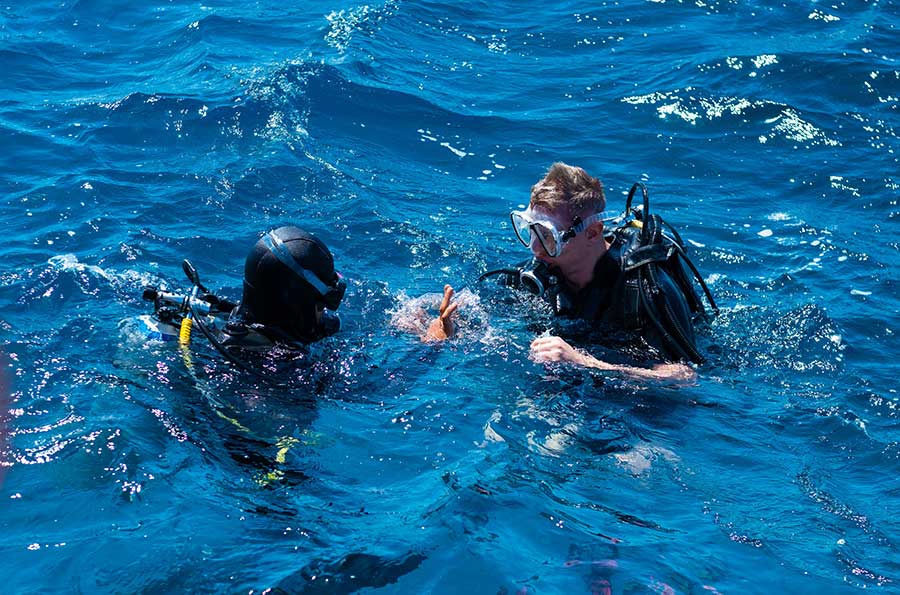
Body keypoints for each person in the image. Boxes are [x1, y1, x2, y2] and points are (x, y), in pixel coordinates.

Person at [431, 163, 706, 381]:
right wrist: (444, 329)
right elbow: (475, 318)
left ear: (593, 232)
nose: (536, 249)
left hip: (646, 406)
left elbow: (685, 377)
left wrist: (584, 362)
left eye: (549, 237)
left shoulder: (647, 289)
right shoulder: (539, 275)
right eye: (531, 230)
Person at [139, 225, 346, 356]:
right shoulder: (271, 365)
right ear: (295, 303)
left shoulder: (233, 319)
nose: (325, 312)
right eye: (322, 302)